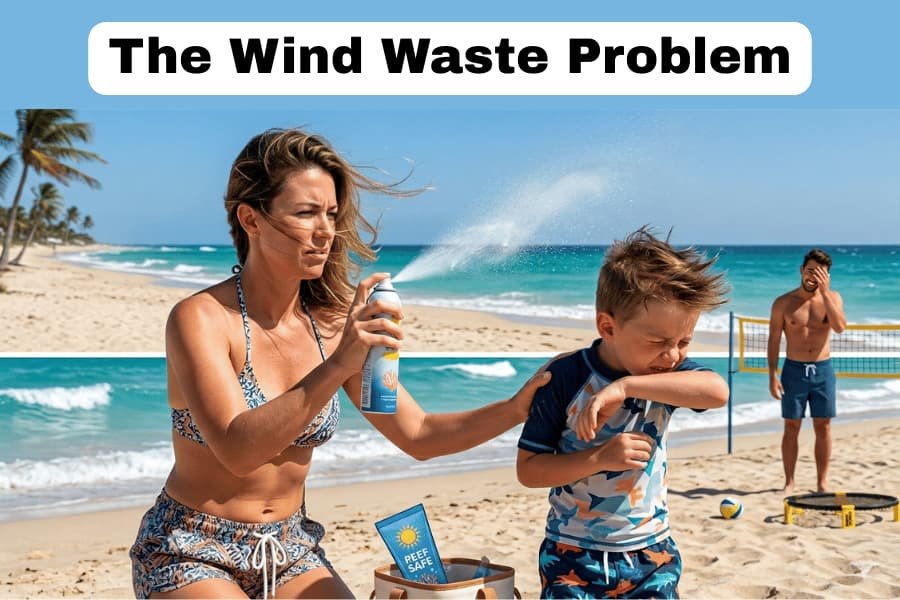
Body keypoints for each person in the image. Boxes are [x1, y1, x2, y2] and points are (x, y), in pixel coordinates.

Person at [129, 128, 551, 599]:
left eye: (331, 213)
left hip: (291, 548)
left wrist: (515, 409)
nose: (326, 230)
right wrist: (337, 365)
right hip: (189, 546)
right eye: (305, 213)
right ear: (251, 219)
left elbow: (419, 434)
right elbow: (238, 450)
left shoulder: (333, 325)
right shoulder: (201, 319)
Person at [516, 228, 729, 599]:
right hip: (571, 553)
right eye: (658, 342)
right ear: (608, 327)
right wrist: (599, 458)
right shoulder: (564, 377)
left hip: (652, 552)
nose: (673, 355)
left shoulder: (664, 376)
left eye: (683, 342)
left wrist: (626, 387)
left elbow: (717, 392)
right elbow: (529, 470)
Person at [768, 248, 846, 494]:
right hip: (794, 370)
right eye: (810, 271)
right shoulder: (783, 303)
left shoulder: (833, 298)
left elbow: (840, 327)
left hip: (823, 370)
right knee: (791, 426)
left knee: (823, 426)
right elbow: (773, 340)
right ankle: (789, 481)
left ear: (827, 276)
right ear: (802, 270)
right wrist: (772, 375)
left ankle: (822, 482)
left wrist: (825, 292)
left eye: (820, 273)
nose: (814, 277)